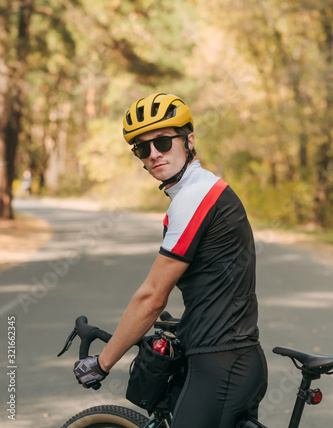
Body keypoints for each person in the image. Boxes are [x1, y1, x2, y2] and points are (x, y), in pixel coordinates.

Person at [73, 93, 268, 427]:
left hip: (220, 364)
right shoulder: (201, 190)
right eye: (142, 149)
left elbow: (151, 296)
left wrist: (102, 363)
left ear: (189, 141)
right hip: (227, 357)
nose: (153, 155)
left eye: (163, 142)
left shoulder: (195, 197)